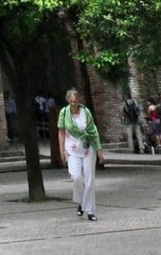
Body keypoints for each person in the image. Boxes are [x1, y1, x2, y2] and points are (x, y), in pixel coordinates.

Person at [58, 87, 102, 222]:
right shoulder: (64, 113)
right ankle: (81, 202)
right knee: (76, 177)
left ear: (78, 101)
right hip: (72, 149)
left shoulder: (86, 112)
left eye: (75, 101)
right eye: (70, 102)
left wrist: (99, 149)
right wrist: (61, 151)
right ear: (67, 101)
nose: (73, 104)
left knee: (89, 180)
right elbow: (61, 132)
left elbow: (93, 130)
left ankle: (89, 210)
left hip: (88, 148)